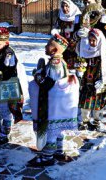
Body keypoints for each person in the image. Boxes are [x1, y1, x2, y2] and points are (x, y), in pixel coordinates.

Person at [29, 34, 79, 166]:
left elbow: (49, 83)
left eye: (48, 44)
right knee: (58, 130)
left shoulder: (55, 63)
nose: (46, 46)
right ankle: (58, 150)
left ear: (55, 50)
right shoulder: (58, 61)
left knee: (51, 130)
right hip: (57, 103)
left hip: (52, 103)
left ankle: (47, 157)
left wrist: (37, 76)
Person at [77, 28, 106, 131]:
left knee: (98, 105)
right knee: (85, 104)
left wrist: (103, 80)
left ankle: (97, 121)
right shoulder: (86, 50)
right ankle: (85, 121)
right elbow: (78, 55)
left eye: (93, 40)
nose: (91, 42)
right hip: (87, 82)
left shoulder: (104, 53)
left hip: (98, 83)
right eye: (90, 40)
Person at [51, 0, 82, 71]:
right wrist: (55, 31)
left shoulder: (77, 16)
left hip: (75, 41)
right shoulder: (60, 16)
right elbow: (57, 26)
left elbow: (81, 27)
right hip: (63, 41)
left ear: (70, 6)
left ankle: (77, 74)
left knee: (76, 62)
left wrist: (78, 34)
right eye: (62, 6)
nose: (64, 8)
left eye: (66, 6)